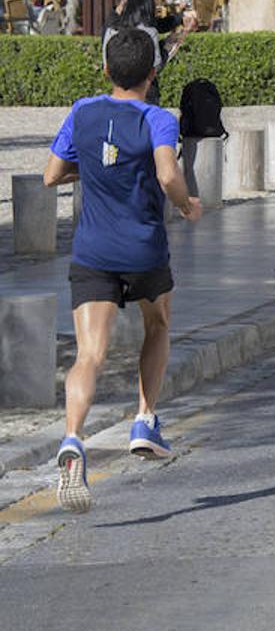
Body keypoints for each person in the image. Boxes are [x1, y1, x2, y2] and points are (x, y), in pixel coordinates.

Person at [43, 29, 203, 514]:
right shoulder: (158, 118)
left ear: (106, 70)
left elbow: (51, 174)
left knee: (89, 354)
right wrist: (186, 204)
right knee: (158, 324)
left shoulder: (82, 111)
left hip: (93, 252)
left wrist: (93, 168)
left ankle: (73, 437)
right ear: (152, 74)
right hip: (144, 251)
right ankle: (144, 418)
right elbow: (167, 173)